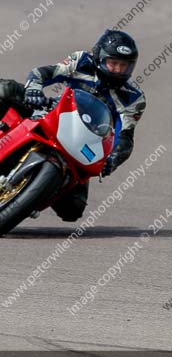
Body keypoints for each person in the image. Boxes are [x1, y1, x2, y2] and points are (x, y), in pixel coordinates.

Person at [0, 30, 146, 221]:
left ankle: (32, 197)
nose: (118, 70)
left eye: (124, 66)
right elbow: (43, 72)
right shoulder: (81, 61)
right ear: (99, 58)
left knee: (73, 210)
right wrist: (34, 88)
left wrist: (112, 160)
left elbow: (125, 137)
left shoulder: (134, 98)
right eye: (113, 63)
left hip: (84, 142)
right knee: (5, 89)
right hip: (53, 113)